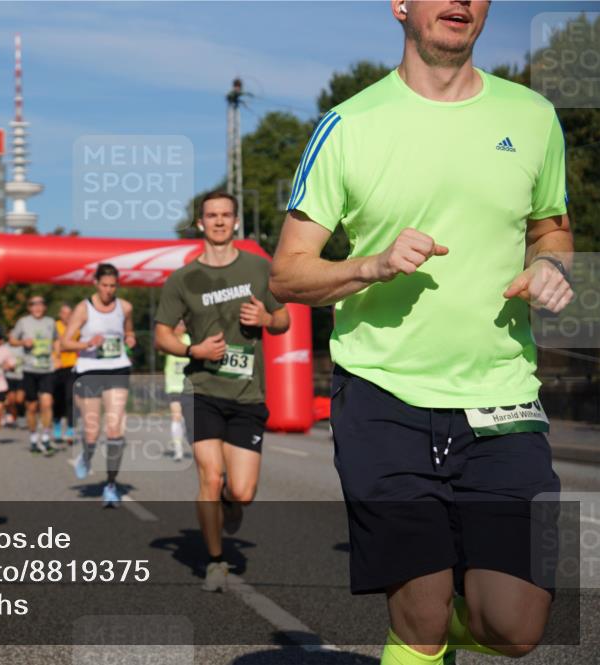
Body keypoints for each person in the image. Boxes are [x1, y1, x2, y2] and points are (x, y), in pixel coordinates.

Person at [269, 2, 574, 663]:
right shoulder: (349, 125)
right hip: (385, 397)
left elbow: (551, 226)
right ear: (400, 5)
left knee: (516, 629)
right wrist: (371, 265)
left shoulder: (532, 117)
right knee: (421, 616)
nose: (459, 2)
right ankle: (423, 636)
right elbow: (286, 276)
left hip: (504, 396)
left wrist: (549, 264)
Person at [154, 191, 290, 591]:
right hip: (202, 389)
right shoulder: (182, 279)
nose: (218, 221)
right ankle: (215, 561)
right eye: (211, 215)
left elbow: (283, 320)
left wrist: (266, 316)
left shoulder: (259, 268)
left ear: (235, 222)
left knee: (242, 491)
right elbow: (162, 334)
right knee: (210, 477)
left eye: (225, 215)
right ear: (200, 223)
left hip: (248, 394)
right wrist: (191, 349)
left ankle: (231, 504)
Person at [62, 264, 136, 507]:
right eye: (104, 285)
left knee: (115, 429)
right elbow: (64, 343)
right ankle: (87, 454)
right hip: (89, 371)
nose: (108, 290)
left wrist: (131, 339)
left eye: (113, 286)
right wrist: (87, 344)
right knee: (92, 432)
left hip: (117, 369)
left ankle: (111, 485)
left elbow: (129, 332)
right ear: (96, 283)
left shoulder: (125, 307)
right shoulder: (84, 309)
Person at [10, 296, 58, 455]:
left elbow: (57, 341)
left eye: (40, 304)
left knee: (47, 403)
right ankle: (33, 438)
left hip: (47, 369)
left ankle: (45, 437)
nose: (37, 307)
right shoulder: (23, 322)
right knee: (31, 407)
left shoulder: (51, 322)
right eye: (33, 304)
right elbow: (12, 339)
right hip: (29, 369)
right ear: (29, 307)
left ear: (45, 307)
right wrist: (23, 343)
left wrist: (57, 356)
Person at [163, 320, 191, 462]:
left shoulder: (189, 340)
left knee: (188, 420)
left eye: (182, 325)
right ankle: (178, 449)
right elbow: (160, 347)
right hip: (173, 387)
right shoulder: (169, 340)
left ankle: (190, 442)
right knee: (176, 417)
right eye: (177, 325)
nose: (180, 328)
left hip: (189, 386)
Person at [52, 303, 79, 444]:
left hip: (72, 366)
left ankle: (70, 429)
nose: (67, 316)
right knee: (58, 399)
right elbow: (54, 344)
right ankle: (56, 425)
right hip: (56, 367)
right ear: (60, 314)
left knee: (70, 398)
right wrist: (56, 355)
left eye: (70, 313)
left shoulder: (77, 327)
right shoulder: (54, 326)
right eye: (64, 313)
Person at [4, 336, 25, 428]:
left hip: (21, 376)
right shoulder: (5, 347)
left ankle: (21, 415)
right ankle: (12, 416)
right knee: (11, 400)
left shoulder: (22, 347)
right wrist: (6, 365)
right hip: (9, 376)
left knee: (19, 400)